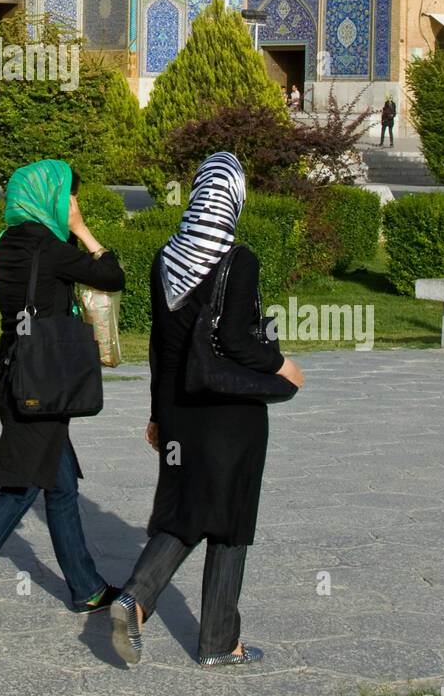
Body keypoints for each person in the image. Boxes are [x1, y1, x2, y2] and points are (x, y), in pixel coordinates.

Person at [110, 151, 305, 667]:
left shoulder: (164, 257)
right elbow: (240, 342)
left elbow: (159, 346)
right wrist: (282, 363)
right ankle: (219, 641)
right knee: (231, 520)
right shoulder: (238, 260)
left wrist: (156, 415)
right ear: (234, 198)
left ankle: (135, 598)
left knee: (186, 511)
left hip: (178, 409)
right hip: (229, 413)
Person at [0, 159, 125, 629]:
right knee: (19, 492)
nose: (72, 203)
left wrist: (0, 364)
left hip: (19, 376)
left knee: (60, 486)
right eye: (68, 195)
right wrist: (84, 229)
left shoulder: (6, 242)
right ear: (50, 196)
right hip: (43, 384)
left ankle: (86, 588)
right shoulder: (50, 248)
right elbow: (112, 275)